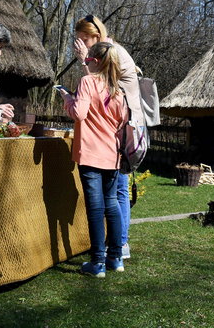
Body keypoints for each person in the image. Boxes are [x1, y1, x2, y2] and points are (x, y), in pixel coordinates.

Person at [73, 15, 139, 260]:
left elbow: (94, 88)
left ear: (96, 37)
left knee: (114, 195)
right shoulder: (108, 54)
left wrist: (83, 64)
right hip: (117, 135)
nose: (80, 44)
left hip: (117, 137)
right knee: (114, 196)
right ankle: (116, 252)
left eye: (83, 39)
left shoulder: (111, 55)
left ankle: (116, 247)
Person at [59, 41, 128, 278]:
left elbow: (79, 113)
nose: (85, 63)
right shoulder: (118, 89)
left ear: (96, 61)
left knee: (96, 208)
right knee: (112, 204)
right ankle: (115, 258)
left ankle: (97, 262)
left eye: (87, 60)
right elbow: (121, 122)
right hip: (112, 154)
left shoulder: (88, 82)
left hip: (90, 153)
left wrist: (67, 98)